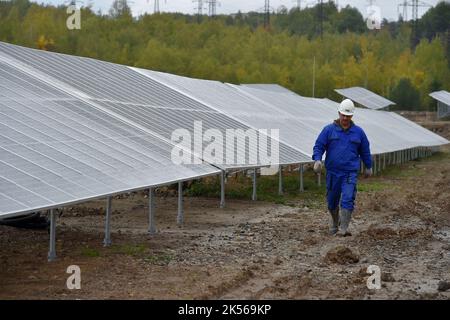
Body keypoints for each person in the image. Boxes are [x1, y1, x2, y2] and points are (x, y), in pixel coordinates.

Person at [312, 99, 372, 236]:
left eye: (348, 116)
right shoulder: (328, 130)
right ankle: (334, 221)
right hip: (333, 173)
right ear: (339, 113)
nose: (345, 118)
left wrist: (368, 166)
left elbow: (365, 150)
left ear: (352, 116)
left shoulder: (358, 133)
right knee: (332, 201)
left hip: (349, 173)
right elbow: (319, 145)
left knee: (348, 198)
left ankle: (343, 228)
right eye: (343, 115)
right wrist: (317, 159)